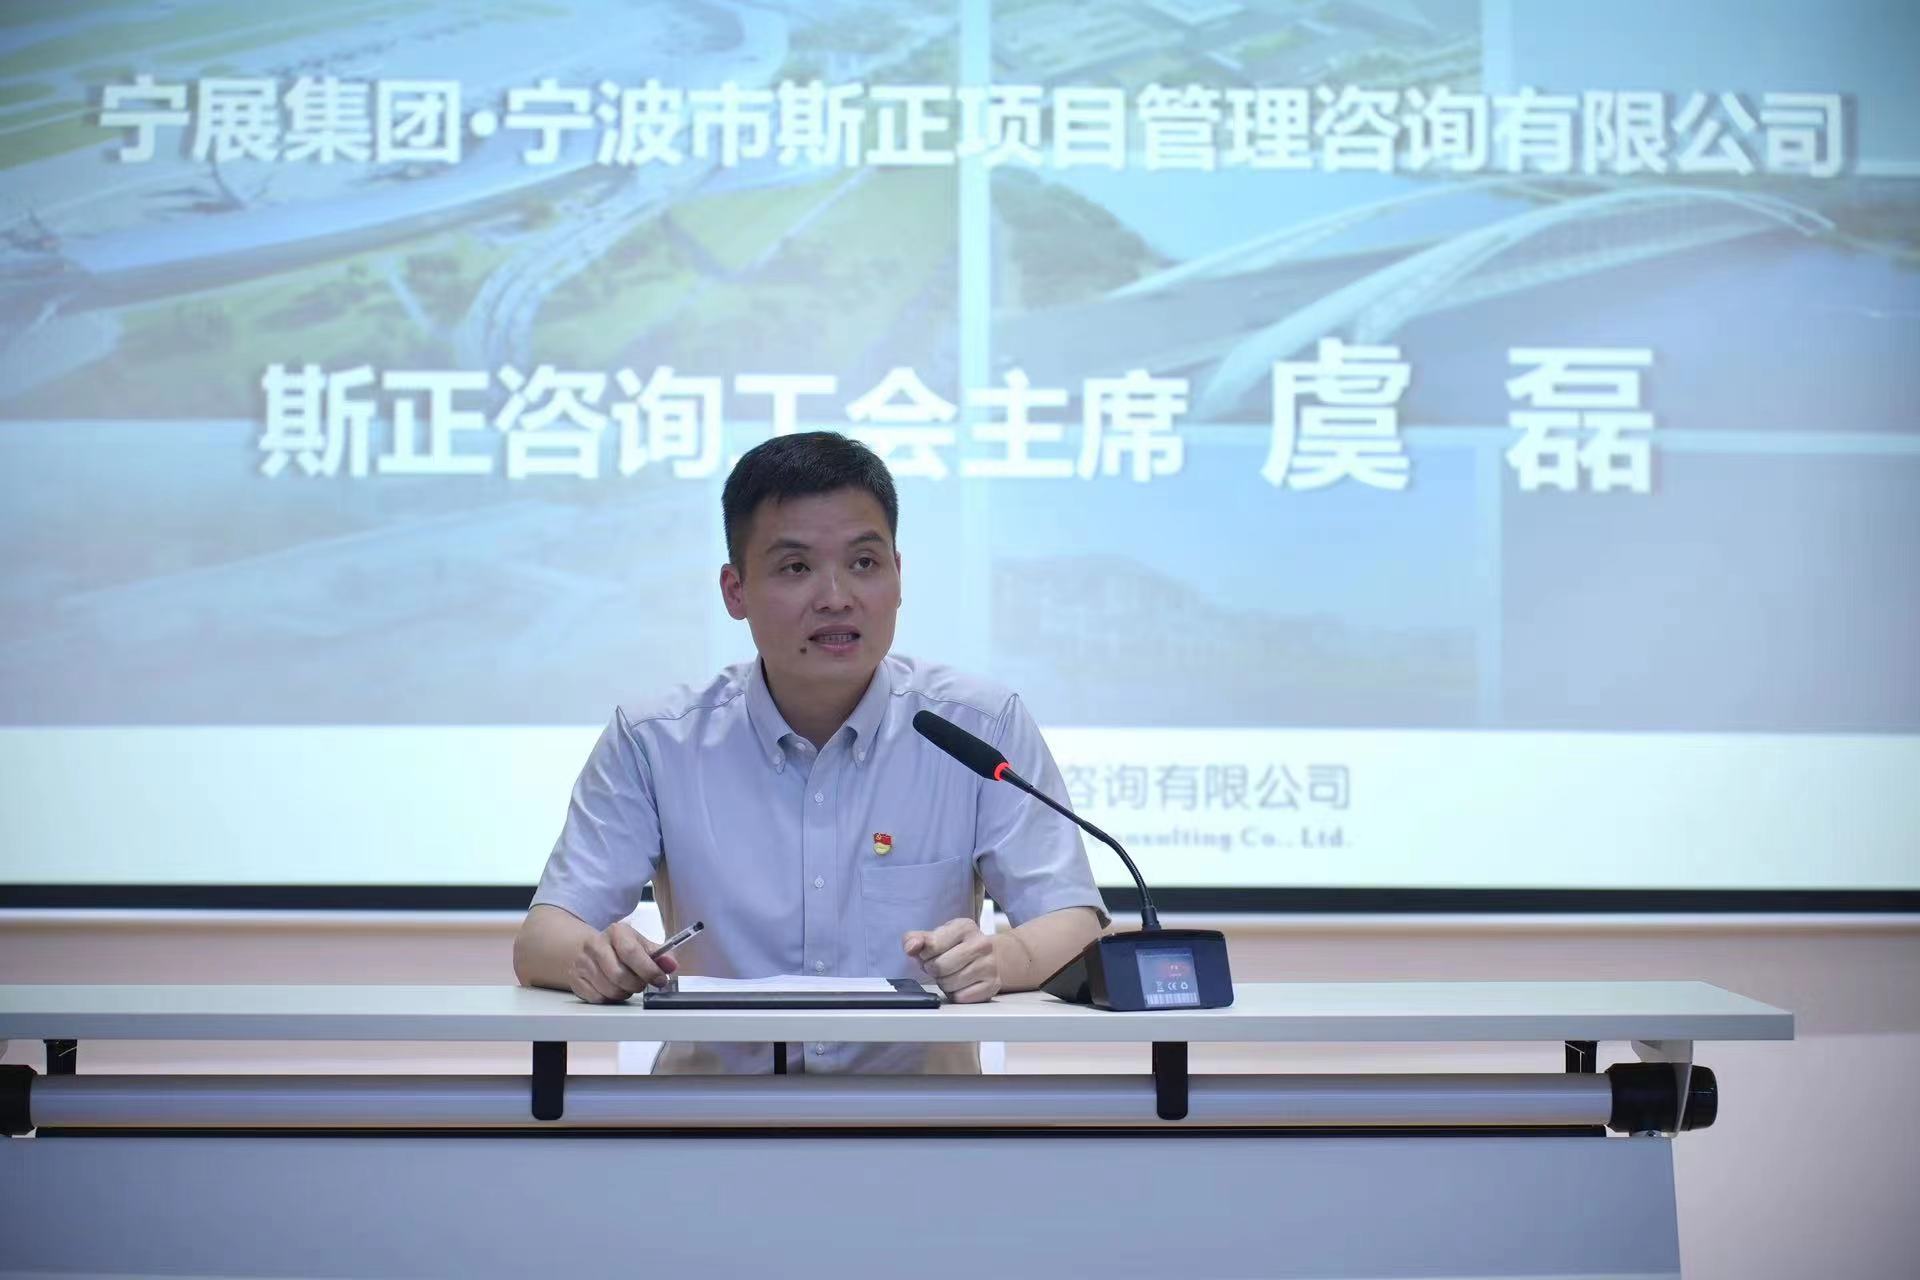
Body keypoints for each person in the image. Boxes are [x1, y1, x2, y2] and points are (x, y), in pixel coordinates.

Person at [512, 431, 1107, 1073]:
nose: (836, 597)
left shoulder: (979, 728)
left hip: (920, 1118)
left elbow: (1074, 924)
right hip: (712, 1118)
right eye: (796, 568)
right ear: (735, 591)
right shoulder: (655, 741)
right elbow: (543, 937)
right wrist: (592, 959)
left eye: (864, 563)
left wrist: (1000, 958)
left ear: (898, 577)